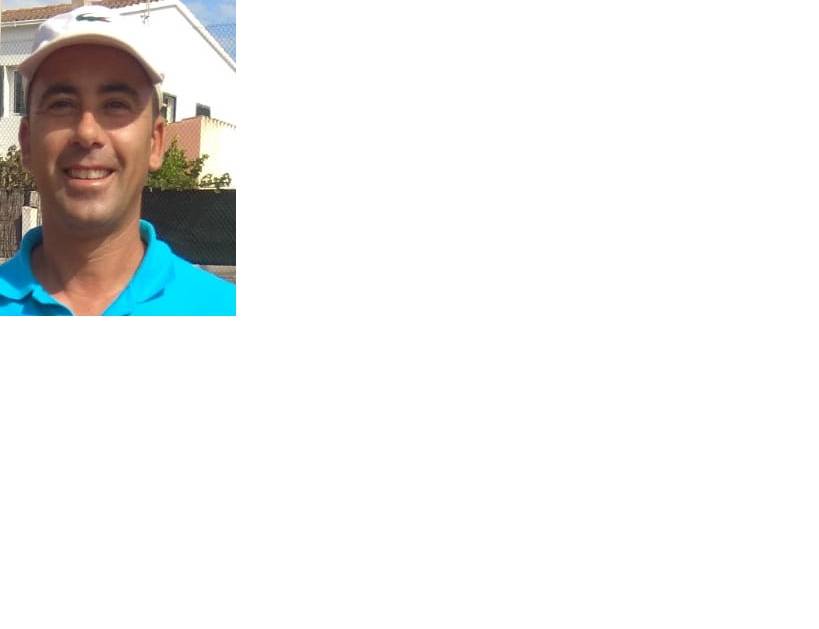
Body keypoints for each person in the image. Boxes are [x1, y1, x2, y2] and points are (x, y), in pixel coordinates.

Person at [0, 5, 236, 316]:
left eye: (115, 105)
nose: (87, 133)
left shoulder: (224, 309)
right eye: (61, 104)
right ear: (27, 142)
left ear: (155, 142)